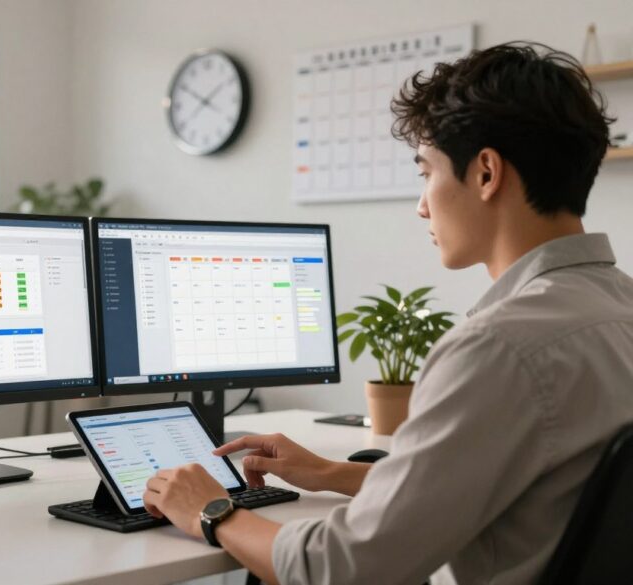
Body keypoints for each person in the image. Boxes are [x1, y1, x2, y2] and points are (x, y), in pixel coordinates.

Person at [141, 43, 633, 585]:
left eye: (426, 173)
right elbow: (517, 487)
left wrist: (212, 511)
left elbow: (344, 569)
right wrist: (331, 472)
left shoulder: (499, 348)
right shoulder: (618, 309)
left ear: (486, 173)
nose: (422, 205)